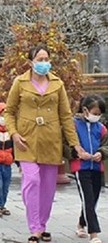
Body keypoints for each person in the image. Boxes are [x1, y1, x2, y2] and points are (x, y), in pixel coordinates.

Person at [4, 44, 86, 243]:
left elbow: (66, 117)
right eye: (39, 60)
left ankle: (42, 225)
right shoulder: (20, 82)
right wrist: (14, 134)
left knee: (48, 188)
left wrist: (75, 145)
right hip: (26, 140)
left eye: (46, 59)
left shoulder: (57, 84)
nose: (43, 63)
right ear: (31, 62)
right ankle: (34, 227)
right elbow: (9, 111)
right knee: (32, 181)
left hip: (51, 141)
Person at [67, 95, 108, 242]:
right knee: (88, 199)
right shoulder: (74, 125)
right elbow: (66, 145)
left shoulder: (101, 128)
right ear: (85, 110)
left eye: (99, 114)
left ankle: (81, 223)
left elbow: (106, 145)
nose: (97, 116)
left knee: (93, 199)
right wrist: (77, 153)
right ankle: (94, 234)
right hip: (81, 167)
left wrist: (101, 153)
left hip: (97, 167)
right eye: (95, 113)